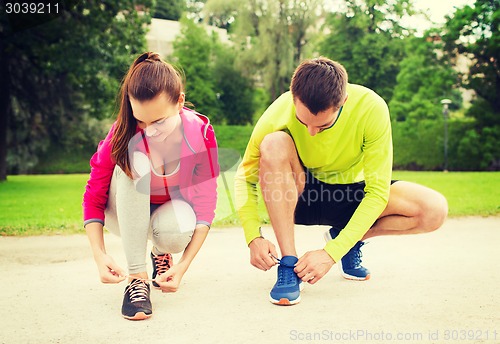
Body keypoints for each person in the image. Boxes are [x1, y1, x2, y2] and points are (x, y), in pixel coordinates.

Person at [234, 57, 448, 306]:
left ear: (343, 101)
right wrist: (253, 237)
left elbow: (377, 192)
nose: (312, 132)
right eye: (304, 123)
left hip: (352, 195)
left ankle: (348, 239)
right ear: (293, 97)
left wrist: (331, 253)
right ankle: (290, 264)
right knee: (273, 142)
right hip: (301, 194)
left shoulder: (371, 108)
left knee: (434, 210)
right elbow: (244, 178)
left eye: (323, 125)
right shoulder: (277, 111)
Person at [82, 52, 219, 320]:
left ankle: (160, 253)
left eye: (158, 121)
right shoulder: (123, 131)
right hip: (122, 213)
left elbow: (205, 207)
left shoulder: (200, 134)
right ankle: (137, 279)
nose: (147, 131)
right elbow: (94, 195)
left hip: (161, 217)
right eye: (140, 120)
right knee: (136, 159)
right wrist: (99, 254)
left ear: (180, 102)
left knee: (178, 230)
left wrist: (183, 266)